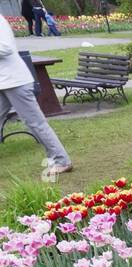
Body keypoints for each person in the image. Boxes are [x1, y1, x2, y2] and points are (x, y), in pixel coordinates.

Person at [0, 16, 72, 174]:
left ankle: (62, 160)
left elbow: (6, 48)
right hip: (2, 83)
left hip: (16, 81)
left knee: (35, 122)